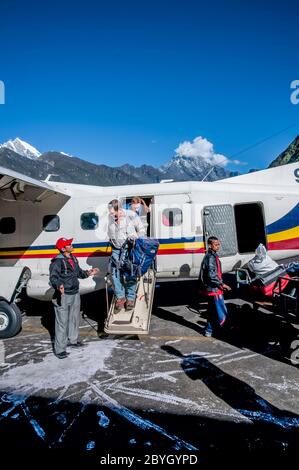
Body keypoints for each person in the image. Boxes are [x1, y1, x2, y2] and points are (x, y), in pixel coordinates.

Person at [49, 237, 99, 359]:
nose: (71, 245)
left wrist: (89, 272)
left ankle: (73, 340)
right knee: (62, 322)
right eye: (68, 244)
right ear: (62, 248)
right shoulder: (57, 262)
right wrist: (58, 285)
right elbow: (53, 277)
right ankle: (60, 350)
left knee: (74, 318)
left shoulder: (73, 259)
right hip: (63, 295)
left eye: (70, 243)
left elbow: (79, 273)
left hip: (75, 293)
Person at [108, 199, 146, 312]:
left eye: (111, 209)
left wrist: (135, 238)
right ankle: (121, 297)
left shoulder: (131, 215)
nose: (109, 212)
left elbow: (142, 231)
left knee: (130, 272)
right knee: (114, 273)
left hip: (129, 248)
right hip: (116, 249)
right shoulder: (110, 219)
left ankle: (130, 298)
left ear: (118, 208)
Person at [198, 236, 231, 337]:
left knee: (212, 310)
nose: (218, 246)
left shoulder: (210, 256)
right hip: (214, 289)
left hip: (212, 288)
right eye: (216, 245)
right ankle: (225, 330)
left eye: (218, 244)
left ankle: (209, 330)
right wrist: (222, 284)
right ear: (210, 245)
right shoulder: (210, 257)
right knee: (221, 310)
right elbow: (212, 275)